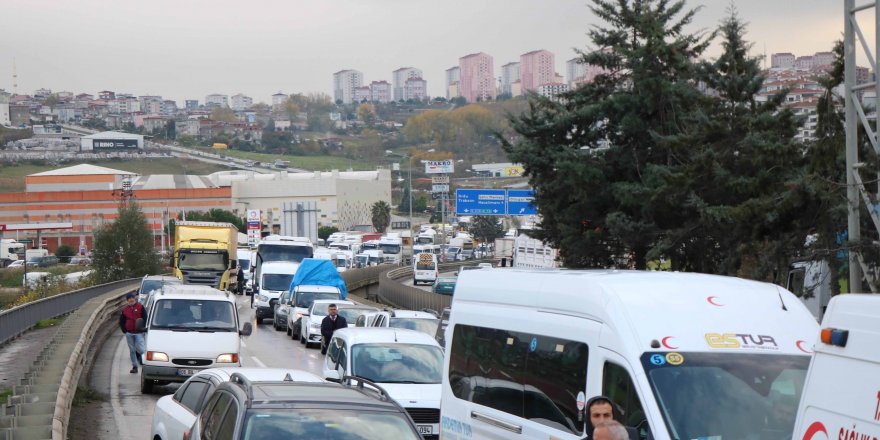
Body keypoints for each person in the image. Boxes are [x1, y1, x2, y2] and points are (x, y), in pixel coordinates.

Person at [119, 292, 146, 374]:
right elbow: (121, 321)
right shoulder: (125, 310)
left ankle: (146, 364)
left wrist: (143, 329)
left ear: (135, 298)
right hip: (129, 333)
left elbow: (145, 318)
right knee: (132, 350)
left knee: (141, 349)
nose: (131, 300)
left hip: (138, 332)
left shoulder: (140, 307)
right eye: (129, 298)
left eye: (132, 298)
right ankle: (135, 366)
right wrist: (125, 330)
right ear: (127, 300)